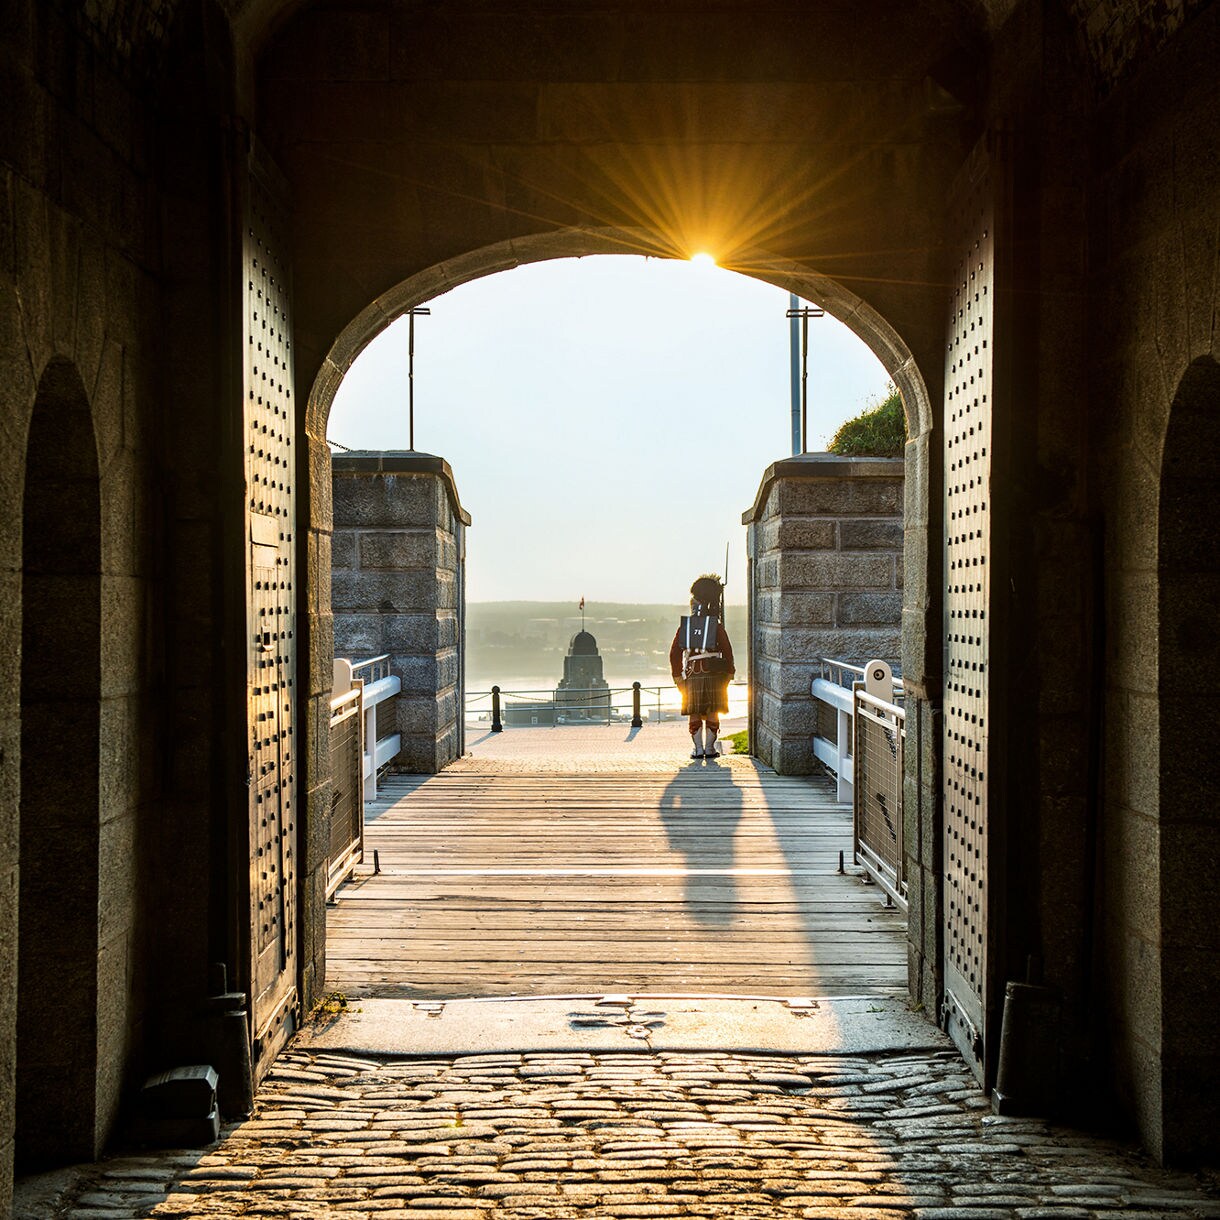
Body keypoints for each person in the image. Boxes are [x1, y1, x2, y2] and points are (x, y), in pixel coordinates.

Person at [670, 574, 735, 759]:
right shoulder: (717, 627)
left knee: (695, 712)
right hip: (715, 673)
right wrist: (730, 672)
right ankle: (710, 749)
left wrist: (677, 676)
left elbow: (674, 653)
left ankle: (698, 749)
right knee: (713, 711)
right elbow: (727, 651)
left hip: (692, 673)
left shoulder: (685, 627)